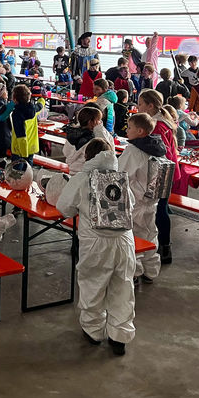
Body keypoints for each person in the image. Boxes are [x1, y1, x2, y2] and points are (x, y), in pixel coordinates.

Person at [49, 139, 135, 356]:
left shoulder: (82, 178)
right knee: (123, 288)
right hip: (125, 241)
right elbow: (131, 206)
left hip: (96, 242)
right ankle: (120, 336)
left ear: (87, 156)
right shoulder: (121, 178)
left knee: (93, 285)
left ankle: (93, 330)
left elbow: (64, 207)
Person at [118, 113, 167, 283]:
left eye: (130, 127)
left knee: (134, 236)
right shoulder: (158, 147)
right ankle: (151, 270)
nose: (127, 130)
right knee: (150, 234)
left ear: (140, 131)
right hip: (152, 201)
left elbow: (121, 173)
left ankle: (136, 271)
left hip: (136, 201)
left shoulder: (133, 151)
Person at [136, 89, 180, 265]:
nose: (138, 107)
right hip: (165, 170)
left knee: (160, 210)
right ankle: (162, 245)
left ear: (150, 105)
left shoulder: (158, 126)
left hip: (162, 172)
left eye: (140, 104)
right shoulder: (161, 122)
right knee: (160, 208)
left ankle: (164, 247)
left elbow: (162, 153)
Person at [63, 105, 112, 174]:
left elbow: (65, 152)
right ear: (91, 122)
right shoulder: (92, 140)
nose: (100, 123)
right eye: (99, 120)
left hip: (72, 169)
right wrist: (99, 129)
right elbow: (108, 151)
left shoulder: (72, 134)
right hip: (84, 173)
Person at [9, 84, 43, 166]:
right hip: (32, 147)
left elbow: (21, 135)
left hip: (19, 150)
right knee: (28, 169)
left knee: (17, 172)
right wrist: (42, 98)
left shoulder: (17, 114)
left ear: (15, 99)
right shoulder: (33, 109)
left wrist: (24, 154)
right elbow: (40, 105)